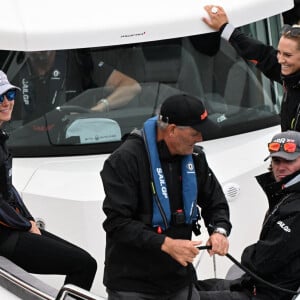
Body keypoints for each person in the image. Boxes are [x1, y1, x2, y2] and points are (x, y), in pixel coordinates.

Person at [101, 93, 232, 300]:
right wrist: (166, 244)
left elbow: (215, 202)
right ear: (172, 130)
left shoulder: (195, 157)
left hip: (179, 280)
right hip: (132, 286)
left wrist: (219, 230)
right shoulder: (124, 160)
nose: (200, 138)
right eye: (196, 133)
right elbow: (117, 223)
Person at [0, 70, 97, 291]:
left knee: (85, 262)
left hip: (13, 229)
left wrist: (29, 219)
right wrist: (25, 225)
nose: (6, 103)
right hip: (5, 237)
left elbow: (8, 188)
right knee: (83, 265)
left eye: (11, 95)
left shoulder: (1, 138)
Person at [195, 130, 300, 300]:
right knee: (186, 288)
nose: (281, 167)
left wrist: (247, 255)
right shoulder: (285, 193)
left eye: (290, 160)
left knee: (187, 297)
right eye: (276, 160)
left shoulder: (296, 206)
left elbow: (262, 261)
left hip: (270, 294)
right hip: (254, 284)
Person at [202, 5, 300, 132]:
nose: (280, 60)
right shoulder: (288, 71)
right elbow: (260, 53)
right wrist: (225, 28)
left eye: (287, 55)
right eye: (279, 52)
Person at [15, 50, 141, 123]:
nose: (40, 47)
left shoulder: (78, 61)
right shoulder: (14, 66)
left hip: (73, 137)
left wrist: (100, 107)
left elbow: (132, 87)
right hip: (25, 141)